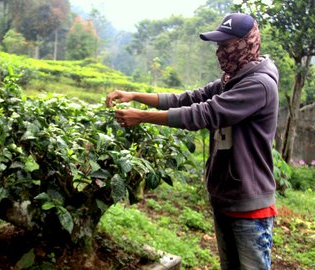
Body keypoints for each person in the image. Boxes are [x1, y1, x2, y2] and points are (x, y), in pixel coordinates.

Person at [106, 13, 279, 270]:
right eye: (218, 46)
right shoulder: (231, 80)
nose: (220, 52)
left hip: (249, 206)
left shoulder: (258, 84)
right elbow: (187, 98)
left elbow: (204, 113)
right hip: (224, 197)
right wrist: (134, 95)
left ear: (247, 43)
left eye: (227, 45)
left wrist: (142, 117)